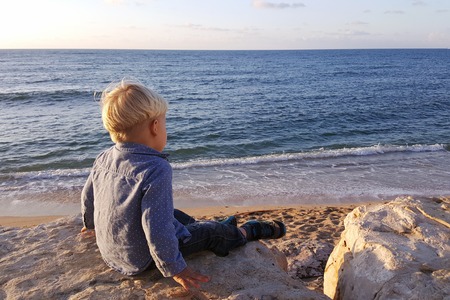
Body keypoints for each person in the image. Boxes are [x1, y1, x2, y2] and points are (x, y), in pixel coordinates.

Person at [80, 79, 286, 291]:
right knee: (210, 232)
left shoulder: (103, 157)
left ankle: (214, 227)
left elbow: (88, 196)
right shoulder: (155, 168)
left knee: (170, 212)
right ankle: (246, 232)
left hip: (112, 252)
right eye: (165, 122)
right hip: (141, 259)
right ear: (155, 126)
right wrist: (175, 268)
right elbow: (156, 230)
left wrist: (91, 224)